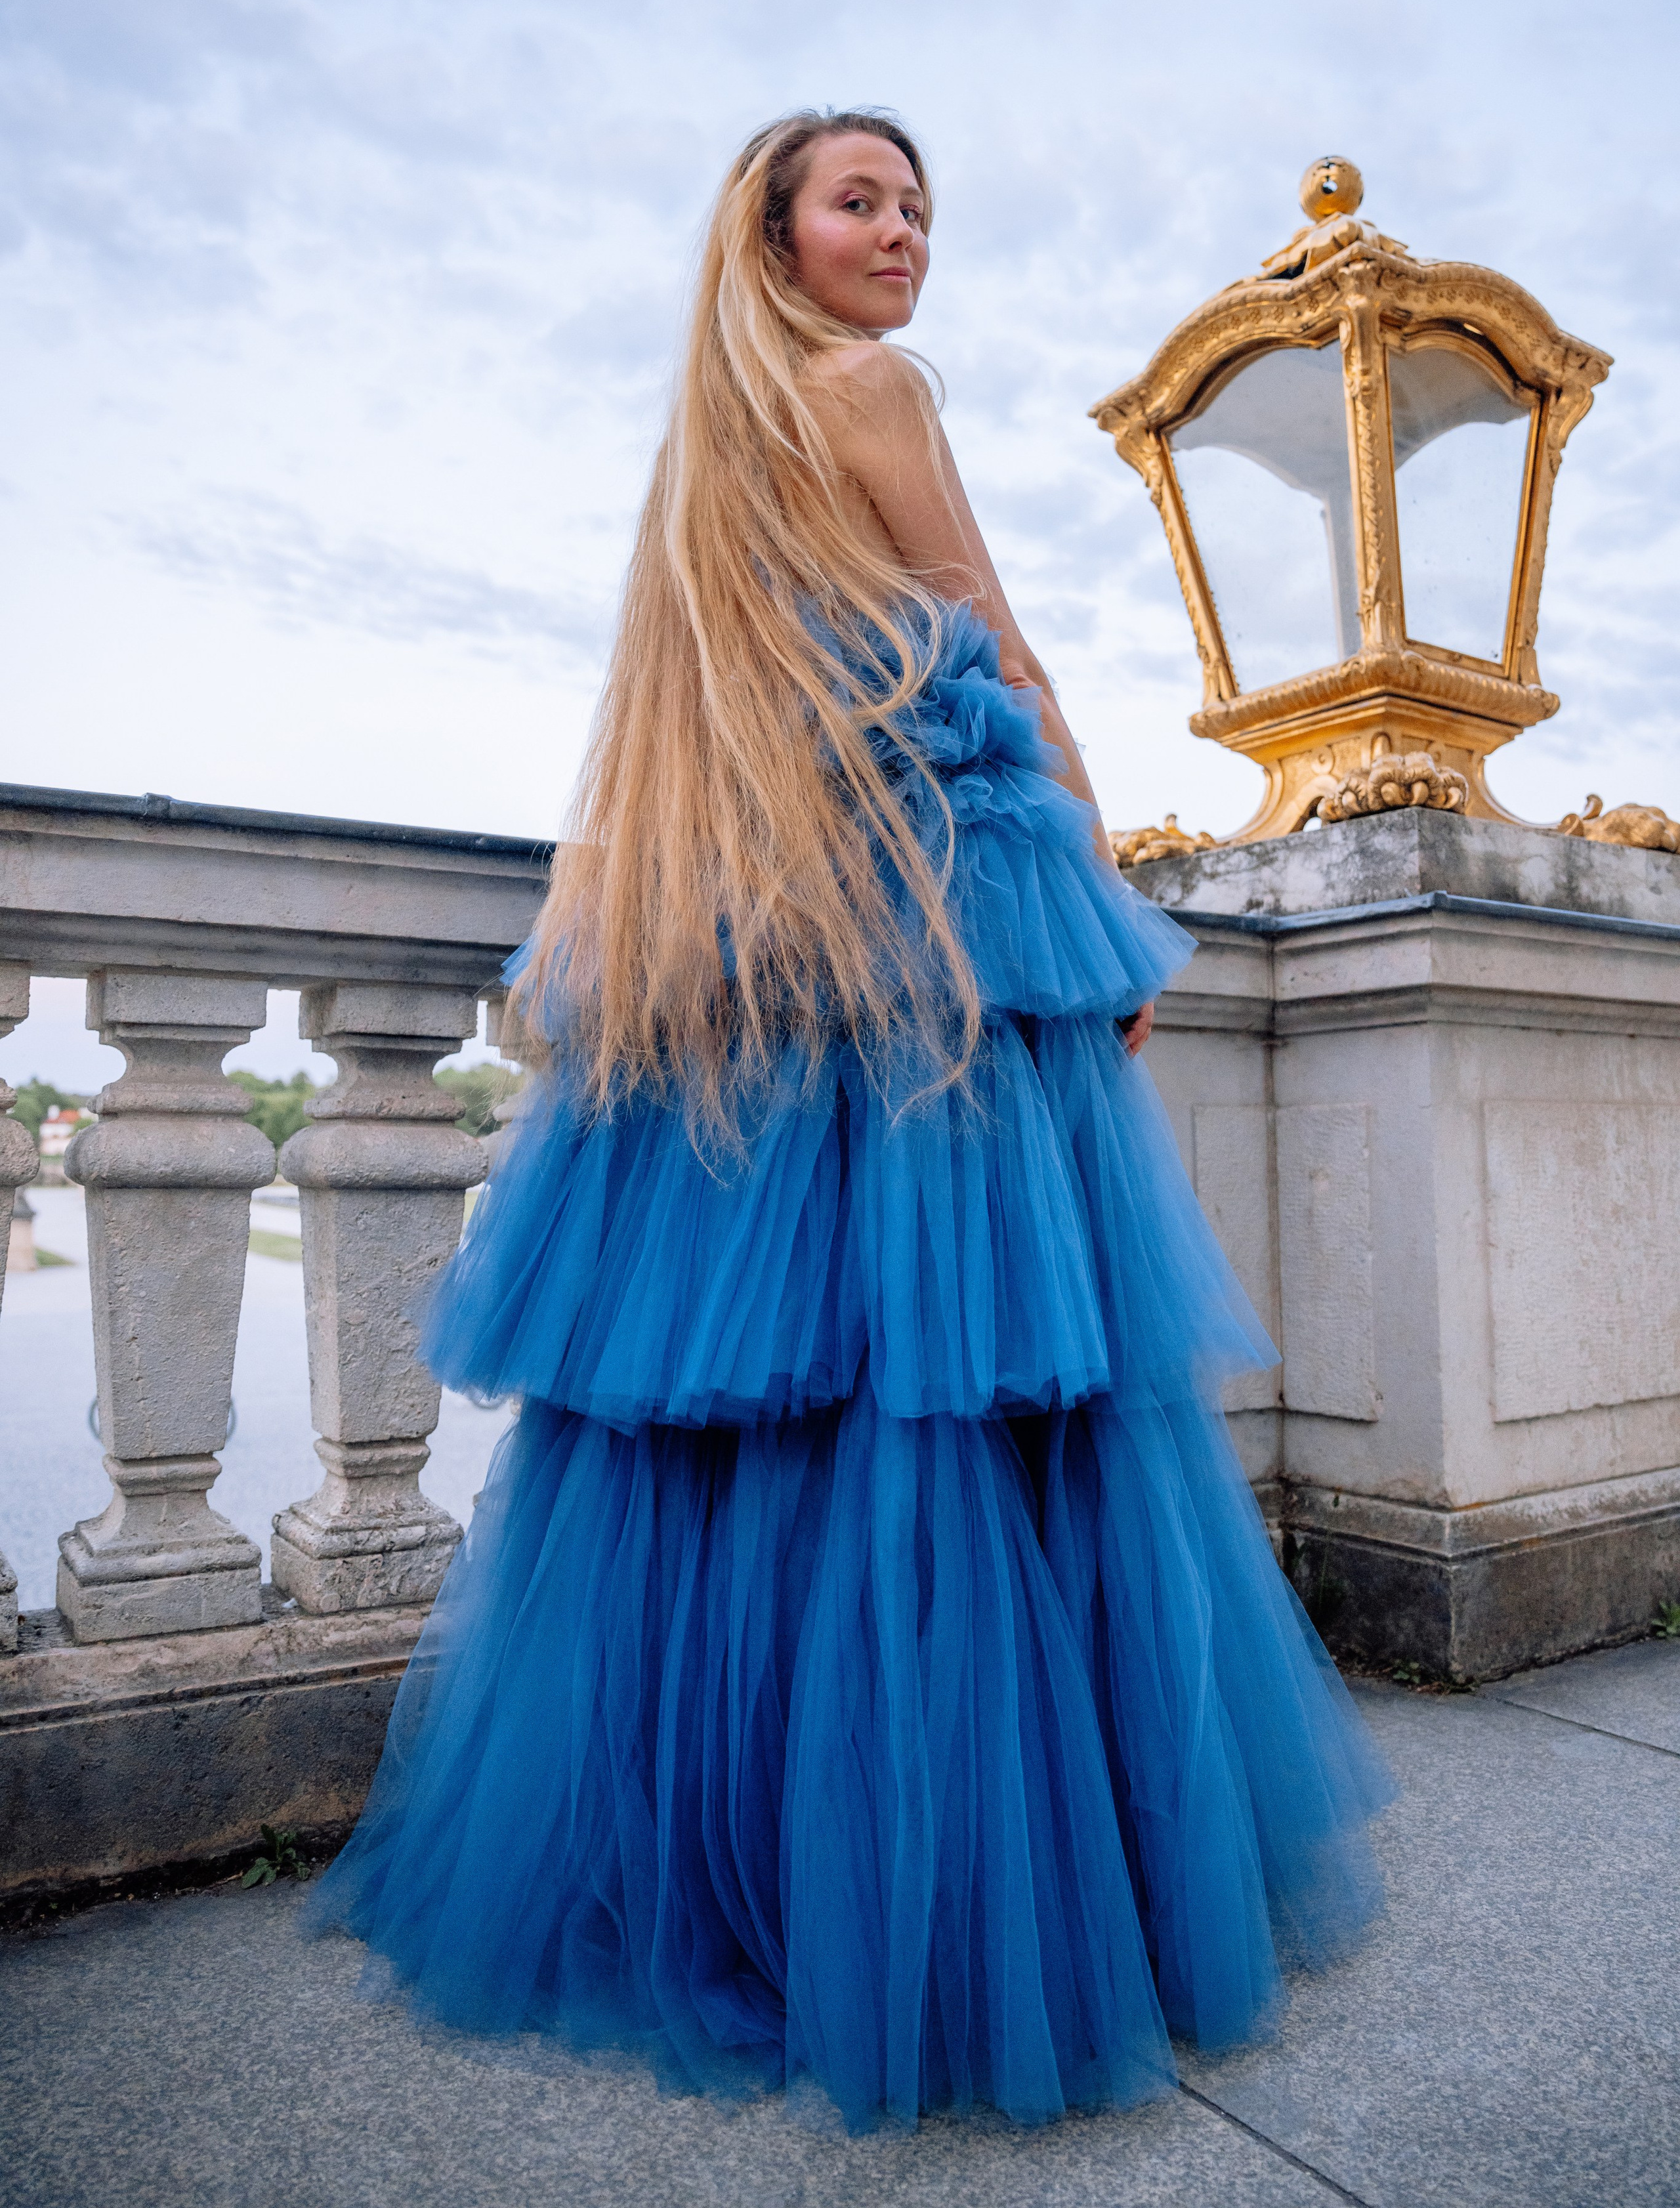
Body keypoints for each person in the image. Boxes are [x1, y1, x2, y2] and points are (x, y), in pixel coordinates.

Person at [305, 109, 1392, 2130]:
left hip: (759, 935)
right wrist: (1101, 892)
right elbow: (994, 635)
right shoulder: (878, 391)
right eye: (863, 203)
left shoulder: (708, 450)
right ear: (779, 233)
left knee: (753, 1427)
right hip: (929, 934)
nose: (902, 237)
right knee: (950, 1404)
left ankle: (731, 1886)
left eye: (917, 209)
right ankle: (960, 1904)